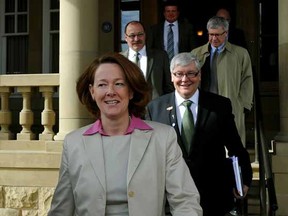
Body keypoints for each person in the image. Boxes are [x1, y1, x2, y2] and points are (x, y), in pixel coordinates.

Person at [48, 52, 203, 216]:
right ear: (92, 91)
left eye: (119, 84)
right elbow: (61, 210)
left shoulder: (163, 138)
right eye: (102, 85)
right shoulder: (73, 143)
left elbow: (186, 203)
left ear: (131, 91)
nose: (110, 91)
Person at [146, 52, 253, 216]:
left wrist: (243, 179)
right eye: (179, 74)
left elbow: (235, 146)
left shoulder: (219, 105)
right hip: (170, 196)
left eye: (191, 73)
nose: (185, 79)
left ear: (200, 75)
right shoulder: (155, 108)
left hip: (212, 194)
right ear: (171, 76)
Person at [191, 16, 254, 146]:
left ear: (226, 33)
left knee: (232, 147)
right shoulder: (196, 54)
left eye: (218, 35)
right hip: (204, 107)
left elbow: (247, 80)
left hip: (231, 107)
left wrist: (243, 104)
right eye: (211, 34)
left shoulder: (240, 54)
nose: (214, 39)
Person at [121, 20, 174, 100]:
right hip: (128, 108)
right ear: (126, 38)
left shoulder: (160, 56)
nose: (136, 39)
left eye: (140, 34)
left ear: (145, 35)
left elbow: (168, 86)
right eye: (132, 35)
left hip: (155, 108)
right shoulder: (119, 59)